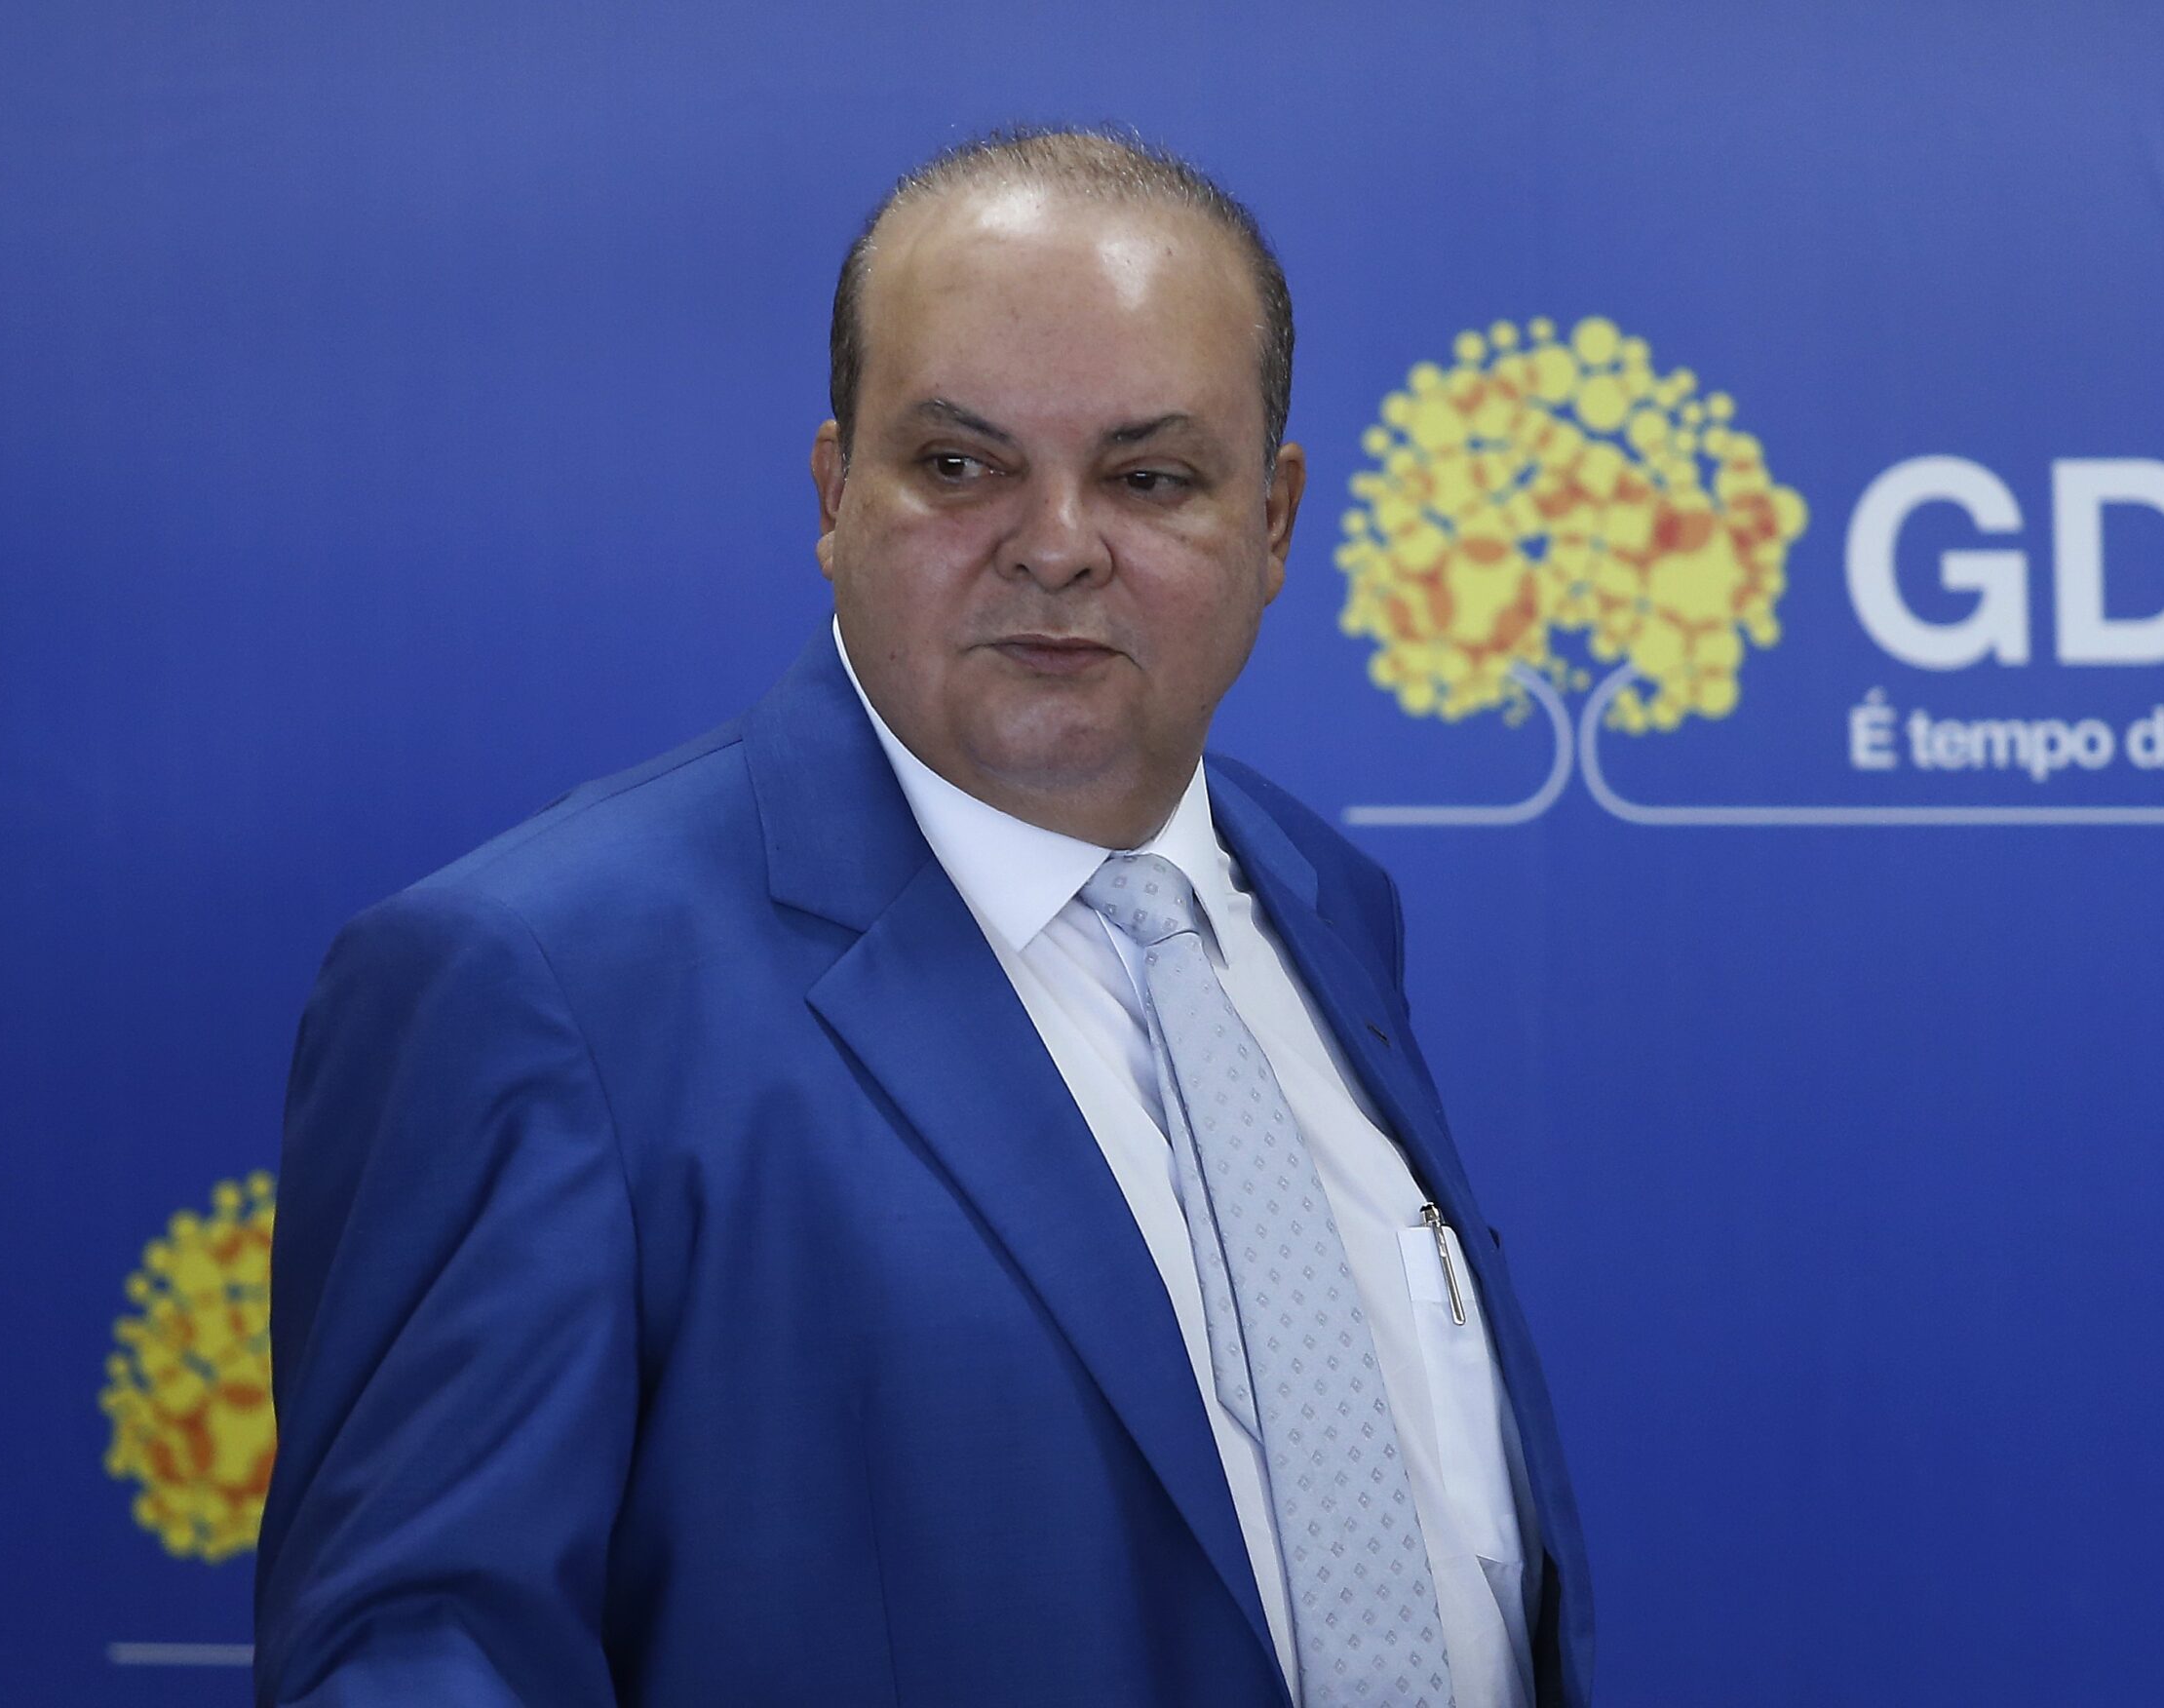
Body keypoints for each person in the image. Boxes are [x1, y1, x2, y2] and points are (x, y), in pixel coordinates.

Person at [256, 128, 1593, 1708]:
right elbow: (422, 1661)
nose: (1056, 545)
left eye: (1150, 477)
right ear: (836, 496)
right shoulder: (537, 982)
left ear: (1277, 524)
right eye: (961, 466)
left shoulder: (1318, 897)